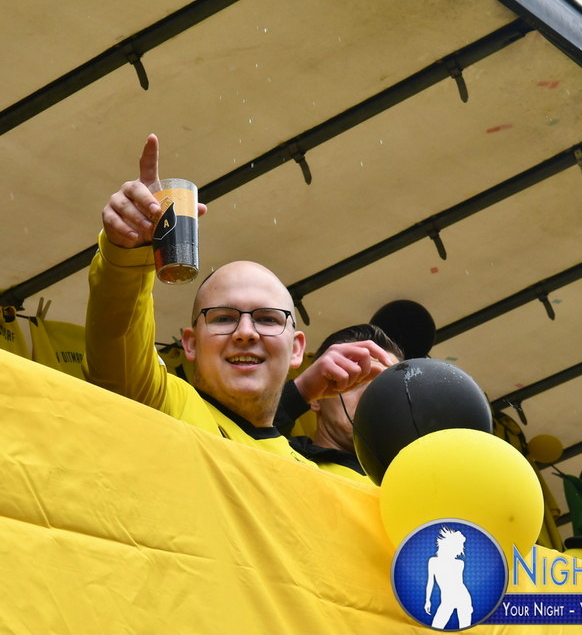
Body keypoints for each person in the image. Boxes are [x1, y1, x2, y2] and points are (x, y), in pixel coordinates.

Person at [83, 134, 393, 465]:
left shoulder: (315, 472)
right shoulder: (160, 406)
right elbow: (116, 342)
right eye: (223, 318)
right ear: (190, 343)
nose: (246, 332)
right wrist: (127, 253)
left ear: (297, 349)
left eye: (268, 319)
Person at [276, 324, 403, 482]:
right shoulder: (282, 455)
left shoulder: (407, 477)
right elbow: (250, 427)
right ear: (316, 398)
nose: (372, 397)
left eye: (386, 388)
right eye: (354, 381)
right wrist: (303, 389)